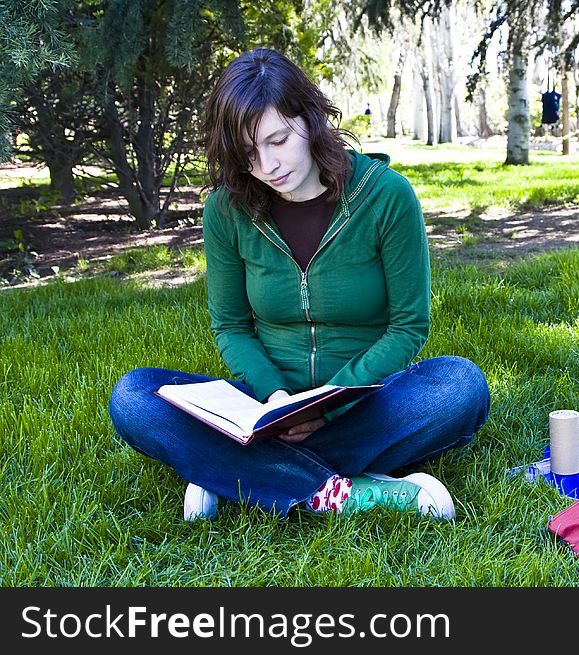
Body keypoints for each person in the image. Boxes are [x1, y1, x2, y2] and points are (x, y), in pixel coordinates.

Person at [108, 48, 490, 522]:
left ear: (310, 120)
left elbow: (408, 327)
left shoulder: (387, 197)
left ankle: (230, 477)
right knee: (134, 396)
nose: (268, 165)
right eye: (249, 153)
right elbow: (231, 327)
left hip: (364, 400)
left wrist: (326, 406)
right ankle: (343, 491)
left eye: (279, 140)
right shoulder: (227, 211)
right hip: (263, 410)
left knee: (460, 386)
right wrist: (275, 399)